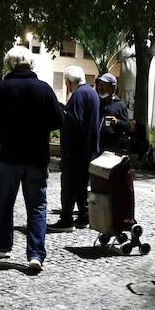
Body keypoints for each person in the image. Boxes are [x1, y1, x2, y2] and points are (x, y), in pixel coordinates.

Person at [0, 46, 64, 272]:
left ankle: (2, 246)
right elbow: (59, 120)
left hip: (9, 156)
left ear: (9, 64)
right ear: (31, 64)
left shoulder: (2, 89)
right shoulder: (44, 89)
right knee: (37, 205)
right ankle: (36, 254)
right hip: (37, 157)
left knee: (5, 201)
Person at [51, 65, 100, 230]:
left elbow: (74, 121)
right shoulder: (92, 93)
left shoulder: (78, 95)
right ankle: (83, 217)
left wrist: (62, 111)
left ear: (69, 82)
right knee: (81, 185)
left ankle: (66, 220)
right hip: (88, 149)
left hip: (75, 150)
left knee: (69, 185)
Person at [96, 74, 131, 152]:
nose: (100, 88)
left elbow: (127, 125)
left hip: (111, 148)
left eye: (104, 85)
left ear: (112, 87)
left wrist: (117, 122)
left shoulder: (120, 105)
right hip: (95, 146)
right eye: (99, 84)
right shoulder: (97, 102)